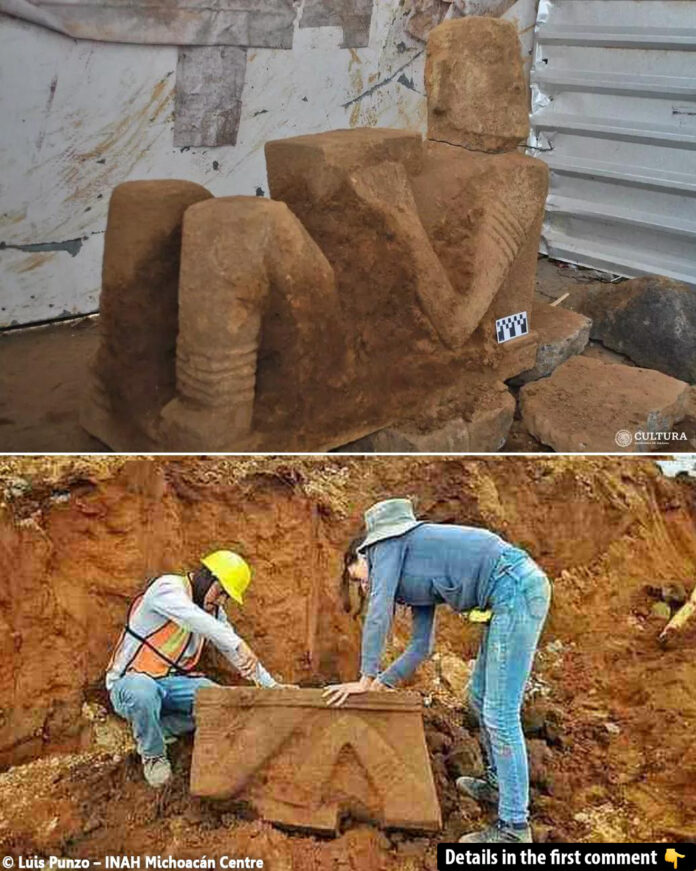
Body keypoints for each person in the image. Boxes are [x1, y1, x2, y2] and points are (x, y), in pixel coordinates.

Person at [324, 498, 551, 844]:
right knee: (477, 698)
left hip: (515, 587)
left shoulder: (386, 546)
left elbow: (379, 610)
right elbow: (421, 646)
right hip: (506, 591)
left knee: (500, 712)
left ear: (363, 554)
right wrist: (384, 683)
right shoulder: (414, 573)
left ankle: (514, 828)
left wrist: (365, 677)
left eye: (358, 578)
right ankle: (497, 784)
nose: (364, 588)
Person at [106, 550, 285, 788]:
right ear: (206, 576)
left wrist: (272, 687)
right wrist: (239, 644)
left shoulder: (214, 613)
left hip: (168, 686)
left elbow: (232, 651)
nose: (221, 601)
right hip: (129, 685)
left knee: (218, 700)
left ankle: (155, 729)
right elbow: (194, 619)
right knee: (143, 690)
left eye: (226, 597)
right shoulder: (167, 588)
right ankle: (153, 755)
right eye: (220, 592)